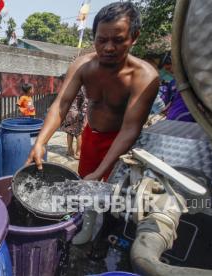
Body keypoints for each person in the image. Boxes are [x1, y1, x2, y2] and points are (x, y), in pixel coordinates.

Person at [25, 2, 159, 245]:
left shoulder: (145, 76)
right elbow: (61, 104)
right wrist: (41, 142)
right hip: (92, 135)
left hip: (122, 144)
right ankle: (86, 226)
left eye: (118, 40)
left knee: (114, 195)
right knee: (86, 186)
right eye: (101, 40)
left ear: (134, 37)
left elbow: (130, 128)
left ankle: (106, 238)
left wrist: (101, 172)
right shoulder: (83, 65)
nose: (108, 47)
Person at [60, 85, 88, 160]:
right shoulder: (82, 87)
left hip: (69, 111)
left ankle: (69, 150)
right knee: (78, 133)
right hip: (78, 112)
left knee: (69, 131)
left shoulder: (70, 86)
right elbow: (85, 101)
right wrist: (83, 114)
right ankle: (78, 153)